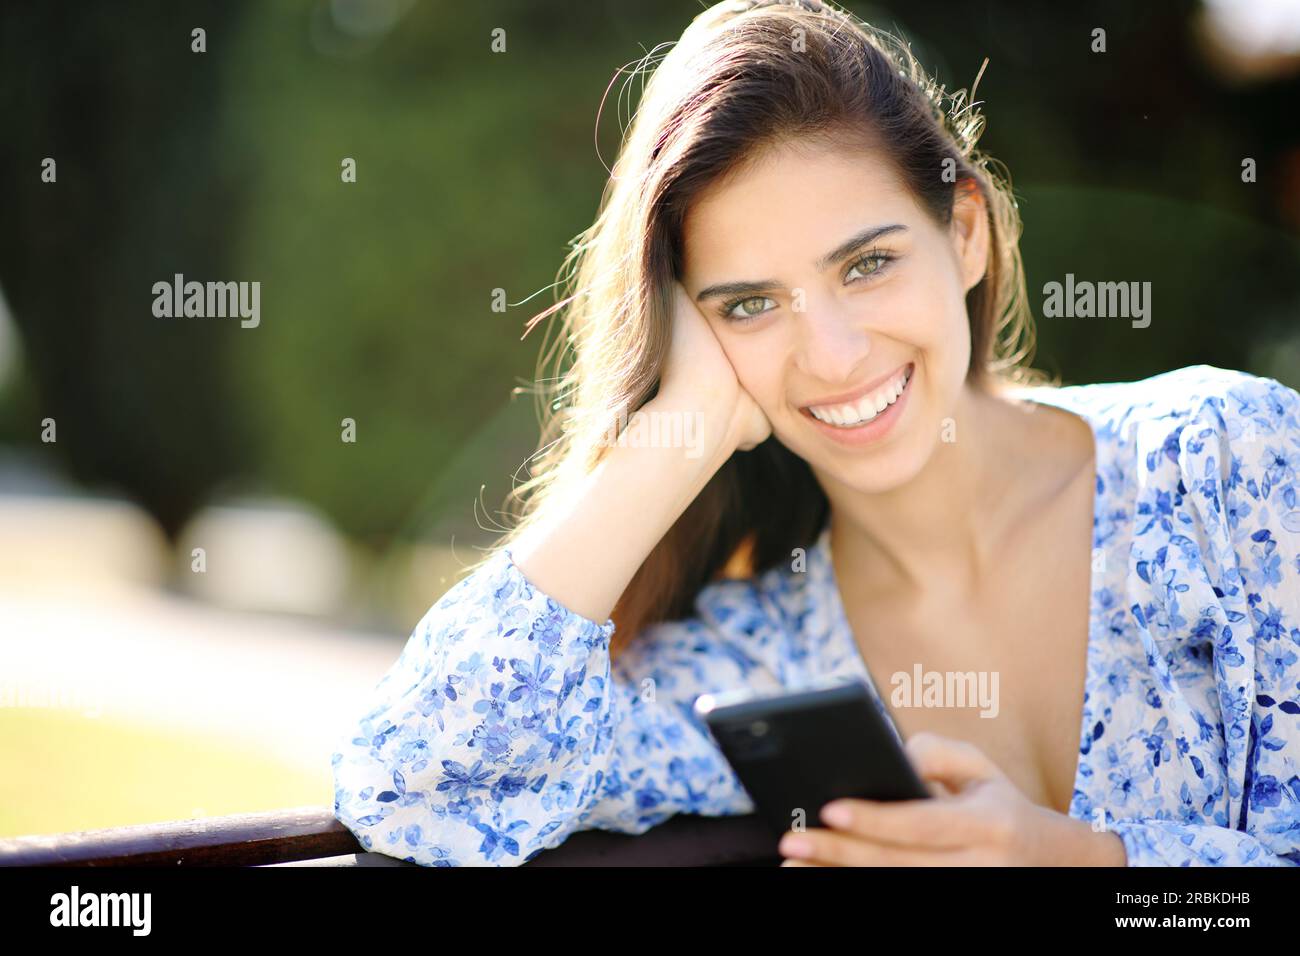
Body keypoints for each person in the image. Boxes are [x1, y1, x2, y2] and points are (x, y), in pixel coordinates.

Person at [330, 0, 1300, 866]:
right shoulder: (762, 660)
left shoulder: (1226, 464)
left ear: (964, 231)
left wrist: (1082, 862)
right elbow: (413, 784)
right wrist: (679, 426)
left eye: (867, 263)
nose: (831, 356)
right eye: (749, 304)